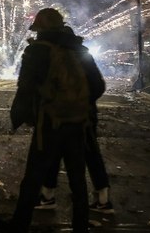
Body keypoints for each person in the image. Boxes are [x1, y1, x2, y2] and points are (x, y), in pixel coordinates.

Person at [0, 8, 105, 233]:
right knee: (77, 179)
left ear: (40, 29)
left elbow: (24, 88)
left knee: (34, 176)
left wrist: (22, 116)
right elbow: (98, 86)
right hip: (77, 123)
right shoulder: (80, 50)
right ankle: (80, 227)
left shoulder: (36, 51)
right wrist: (79, 104)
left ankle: (19, 225)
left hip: (49, 123)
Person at [34, 27, 113, 214]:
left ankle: (47, 196)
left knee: (53, 154)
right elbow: (99, 86)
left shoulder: (54, 54)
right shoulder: (84, 54)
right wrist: (84, 101)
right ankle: (103, 198)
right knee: (91, 154)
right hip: (85, 115)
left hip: (57, 116)